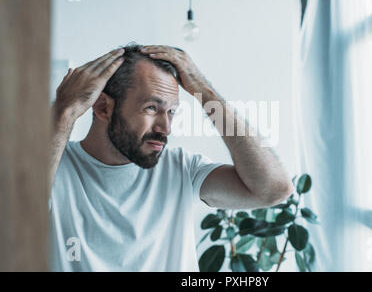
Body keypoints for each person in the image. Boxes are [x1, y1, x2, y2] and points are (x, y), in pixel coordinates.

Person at [49, 44, 293, 271]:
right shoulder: (54, 165)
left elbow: (273, 190)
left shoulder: (182, 168)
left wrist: (203, 91)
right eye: (152, 108)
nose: (166, 128)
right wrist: (64, 112)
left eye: (172, 112)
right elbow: (15, 214)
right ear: (103, 108)